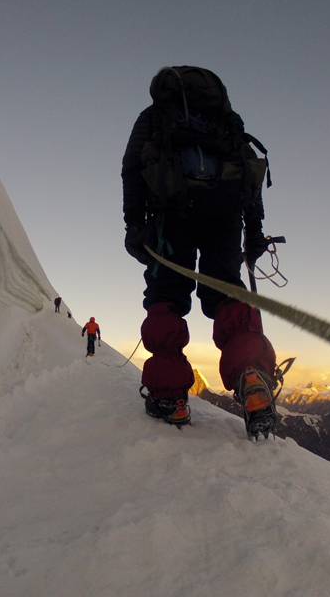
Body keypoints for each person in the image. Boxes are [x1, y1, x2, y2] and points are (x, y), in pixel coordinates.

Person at [121, 66, 278, 437]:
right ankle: (253, 380)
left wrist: (134, 225)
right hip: (224, 217)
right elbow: (250, 177)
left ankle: (171, 398)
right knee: (226, 294)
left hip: (169, 215)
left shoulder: (155, 117)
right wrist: (253, 233)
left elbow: (132, 168)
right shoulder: (225, 121)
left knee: (166, 298)